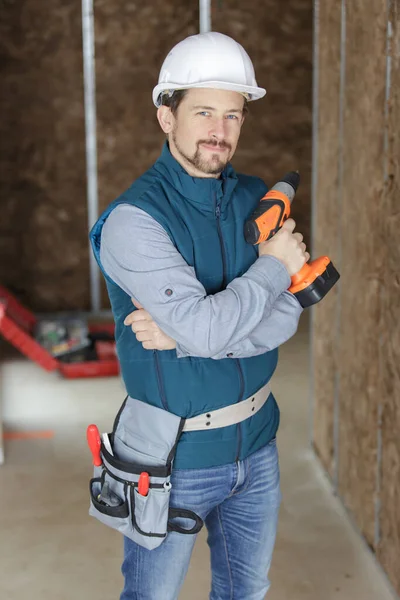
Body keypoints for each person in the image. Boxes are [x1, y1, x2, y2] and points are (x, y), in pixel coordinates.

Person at [90, 31, 309, 600]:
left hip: (257, 443)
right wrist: (273, 269)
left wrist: (188, 336)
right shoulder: (133, 222)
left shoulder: (254, 199)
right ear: (167, 117)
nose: (219, 130)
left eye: (232, 115)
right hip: (173, 456)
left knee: (246, 592)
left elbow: (286, 320)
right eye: (204, 112)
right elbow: (229, 319)